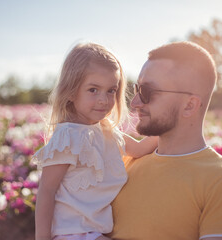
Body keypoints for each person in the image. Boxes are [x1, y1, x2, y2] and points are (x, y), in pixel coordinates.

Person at [108, 41, 222, 240]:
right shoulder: (123, 166)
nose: (135, 103)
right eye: (136, 89)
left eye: (147, 92)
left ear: (189, 105)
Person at [33, 42, 157, 240]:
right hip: (71, 232)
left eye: (111, 91)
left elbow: (140, 148)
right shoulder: (68, 137)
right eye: (93, 90)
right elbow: (46, 191)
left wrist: (171, 130)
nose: (104, 99)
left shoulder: (107, 131)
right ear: (72, 91)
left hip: (96, 232)